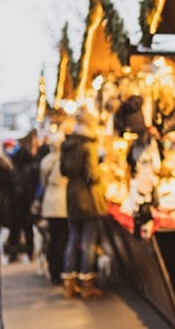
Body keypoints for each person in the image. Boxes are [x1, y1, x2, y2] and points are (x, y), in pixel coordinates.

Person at [60, 109, 107, 299]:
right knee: (89, 242)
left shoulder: (67, 145)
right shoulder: (89, 146)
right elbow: (92, 175)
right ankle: (87, 283)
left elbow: (64, 170)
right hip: (88, 198)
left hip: (72, 196)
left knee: (73, 239)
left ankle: (69, 284)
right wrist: (101, 167)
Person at [5, 130, 40, 263]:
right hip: (26, 204)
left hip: (15, 206)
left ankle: (13, 253)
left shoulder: (13, 170)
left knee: (15, 231)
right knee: (28, 230)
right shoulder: (32, 168)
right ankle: (30, 252)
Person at [39, 131, 69, 284]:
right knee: (64, 238)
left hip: (50, 204)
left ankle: (54, 270)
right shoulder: (66, 160)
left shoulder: (46, 161)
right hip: (64, 203)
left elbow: (43, 181)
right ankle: (64, 270)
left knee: (54, 239)